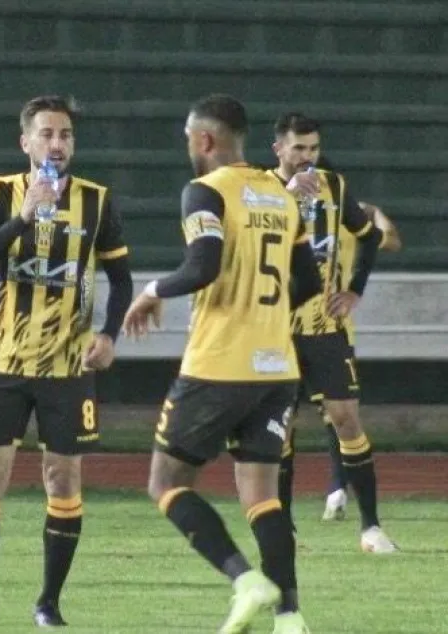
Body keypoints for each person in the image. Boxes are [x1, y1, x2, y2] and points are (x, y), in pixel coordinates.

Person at [122, 94, 322, 634]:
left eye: (190, 139)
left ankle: (244, 579)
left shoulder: (204, 191)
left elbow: (202, 265)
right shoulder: (281, 198)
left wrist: (153, 289)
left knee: (165, 482)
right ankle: (291, 617)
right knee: (261, 493)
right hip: (277, 368)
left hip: (219, 365)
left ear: (204, 140)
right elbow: (310, 283)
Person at [0, 95, 133, 627]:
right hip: (4, 361)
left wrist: (109, 334)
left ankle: (49, 602)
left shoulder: (97, 201)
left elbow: (120, 278)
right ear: (25, 142)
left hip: (68, 368)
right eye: (48, 133)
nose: (58, 143)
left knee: (63, 479)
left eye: (66, 135)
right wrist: (24, 216)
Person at [267, 117, 398, 554]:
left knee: (346, 419)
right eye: (299, 149)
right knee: (280, 431)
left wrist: (355, 290)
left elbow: (370, 235)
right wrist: (283, 201)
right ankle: (283, 530)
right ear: (278, 150)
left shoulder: (334, 187)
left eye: (313, 149)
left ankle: (371, 528)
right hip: (276, 332)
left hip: (326, 330)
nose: (307, 158)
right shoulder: (258, 191)